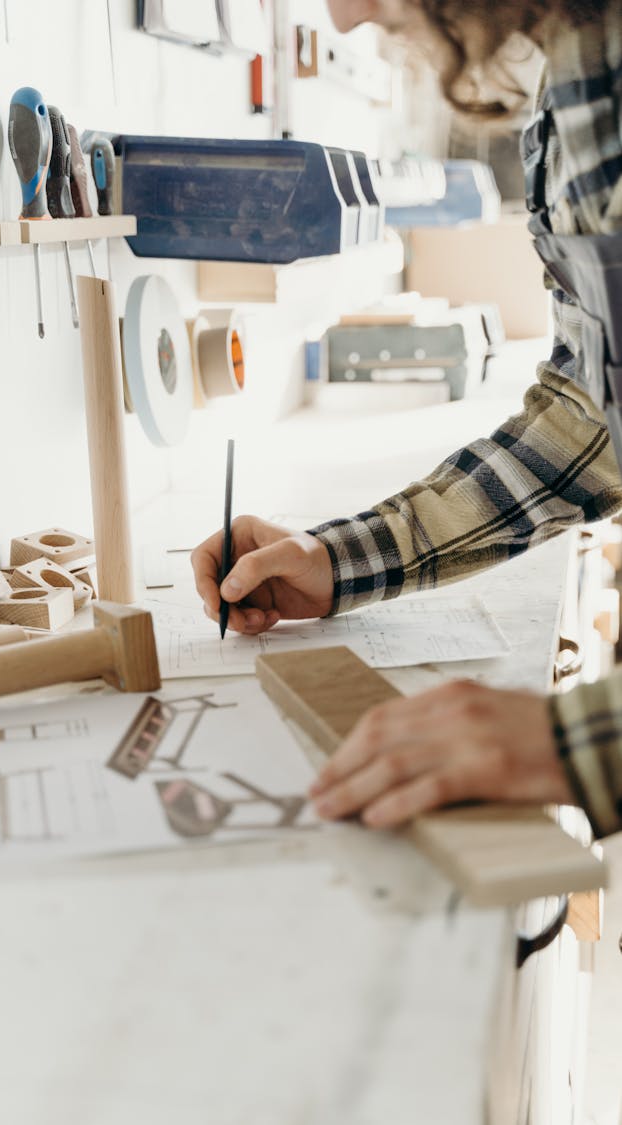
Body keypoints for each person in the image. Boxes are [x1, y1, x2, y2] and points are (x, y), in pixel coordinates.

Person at [192, 0, 622, 839]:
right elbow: (590, 422)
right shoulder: (575, 66)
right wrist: (341, 558)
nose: (345, 18)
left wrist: (577, 745)